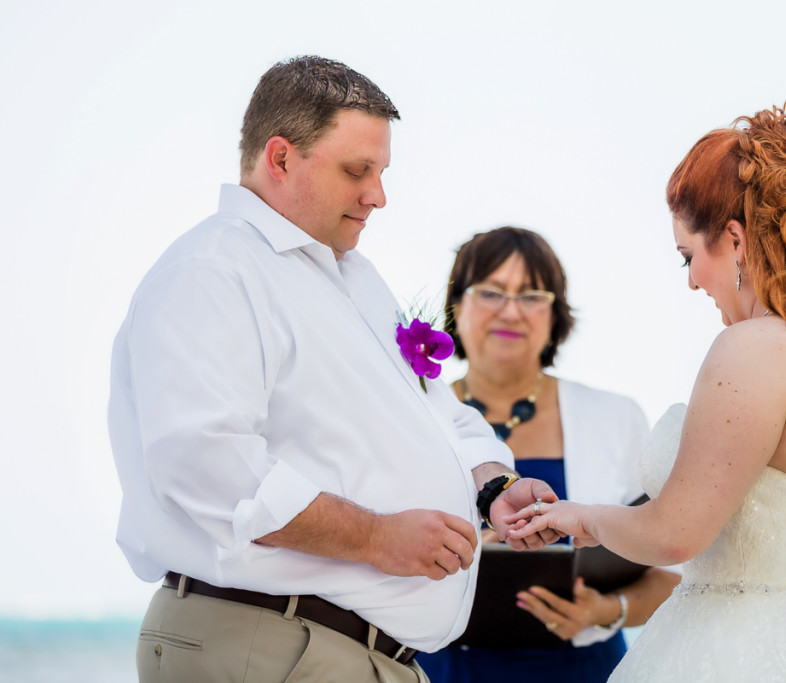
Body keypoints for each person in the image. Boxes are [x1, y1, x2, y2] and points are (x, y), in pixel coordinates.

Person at [108, 56, 558, 683]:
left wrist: (493, 488)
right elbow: (204, 464)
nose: (379, 195)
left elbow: (438, 416)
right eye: (358, 170)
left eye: (381, 172)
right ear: (282, 158)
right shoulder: (212, 272)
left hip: (335, 653)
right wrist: (377, 538)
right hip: (269, 645)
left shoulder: (356, 281)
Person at [507, 107, 786, 681]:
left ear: (734, 240)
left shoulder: (751, 349)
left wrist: (582, 518)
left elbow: (674, 535)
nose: (689, 280)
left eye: (688, 255)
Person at [416, 227, 681, 682]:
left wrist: (605, 609)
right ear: (456, 306)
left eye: (531, 295)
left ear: (555, 314)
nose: (511, 311)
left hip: (582, 669)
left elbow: (672, 571)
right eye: (492, 292)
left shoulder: (615, 417)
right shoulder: (414, 414)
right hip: (438, 669)